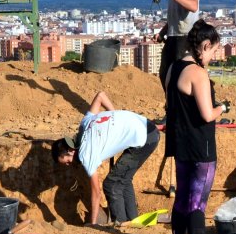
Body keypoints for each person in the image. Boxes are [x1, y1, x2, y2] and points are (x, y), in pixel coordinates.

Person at [164, 20, 230, 234]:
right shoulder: (198, 74)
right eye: (213, 51)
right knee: (197, 203)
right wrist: (222, 108)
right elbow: (206, 114)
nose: (213, 57)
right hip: (200, 147)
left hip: (180, 142)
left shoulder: (173, 69)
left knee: (182, 198)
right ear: (204, 46)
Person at [52, 91, 160, 225]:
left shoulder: (86, 154)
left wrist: (93, 223)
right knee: (123, 179)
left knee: (111, 184)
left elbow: (96, 192)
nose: (69, 165)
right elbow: (100, 96)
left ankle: (121, 225)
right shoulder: (85, 123)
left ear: (70, 151)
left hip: (145, 139)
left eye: (67, 162)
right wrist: (115, 119)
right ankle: (133, 222)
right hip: (147, 128)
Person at [156, 0, 201, 85]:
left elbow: (193, 5)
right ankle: (171, 104)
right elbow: (176, 17)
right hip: (173, 37)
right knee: (165, 74)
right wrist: (162, 32)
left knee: (179, 76)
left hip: (185, 37)